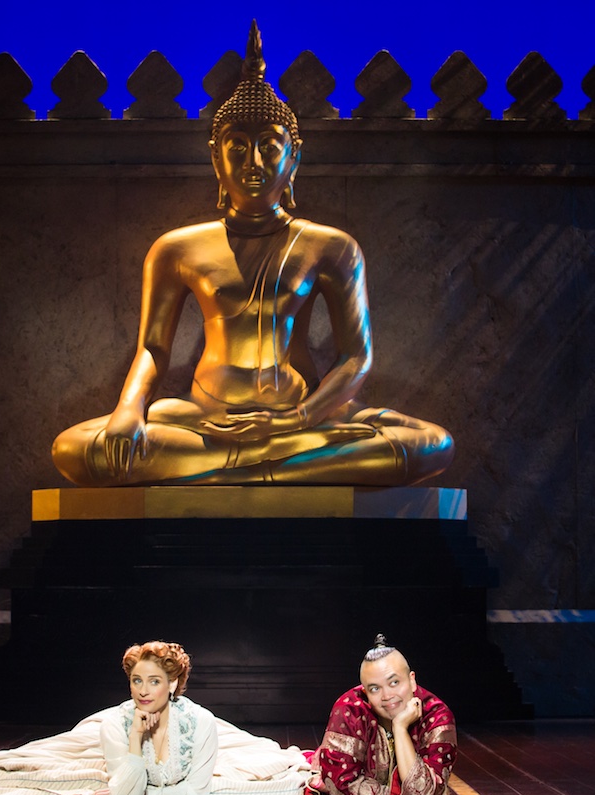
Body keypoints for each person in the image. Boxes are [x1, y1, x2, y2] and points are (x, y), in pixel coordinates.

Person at [51, 21, 454, 488]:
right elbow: (152, 349)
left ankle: (233, 470)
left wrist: (295, 420)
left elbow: (355, 359)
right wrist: (128, 411)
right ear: (215, 158)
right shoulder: (176, 248)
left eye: (270, 147)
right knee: (73, 449)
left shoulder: (332, 246)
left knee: (433, 443)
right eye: (237, 148)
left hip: (300, 413)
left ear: (295, 157)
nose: (254, 165)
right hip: (206, 415)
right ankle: (279, 471)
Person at [0, 640, 310, 795]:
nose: (143, 691)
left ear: (174, 683)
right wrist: (133, 739)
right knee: (55, 751)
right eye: (136, 681)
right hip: (112, 729)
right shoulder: (116, 723)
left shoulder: (202, 722)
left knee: (258, 754)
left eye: (155, 681)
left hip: (189, 722)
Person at [304, 634, 457, 795]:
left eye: (394, 682)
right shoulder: (349, 709)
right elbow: (343, 790)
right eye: (375, 688)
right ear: (365, 693)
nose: (387, 696)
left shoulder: (436, 716)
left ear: (412, 680)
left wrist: (400, 728)